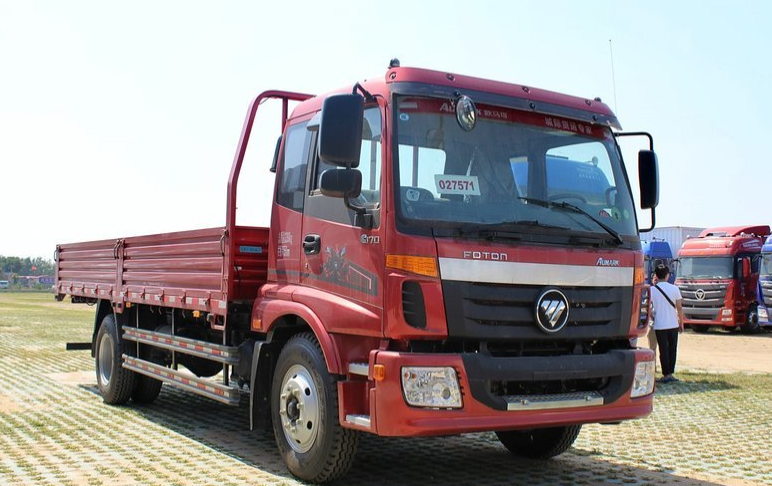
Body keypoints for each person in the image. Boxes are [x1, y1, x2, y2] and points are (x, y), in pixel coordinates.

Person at [650, 264, 685, 383]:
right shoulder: (674, 288)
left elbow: (648, 308)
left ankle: (665, 374)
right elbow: (679, 307)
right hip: (673, 323)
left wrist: (652, 317)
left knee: (663, 349)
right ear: (667, 275)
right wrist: (681, 321)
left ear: (656, 275)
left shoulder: (652, 290)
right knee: (672, 349)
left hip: (659, 324)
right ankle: (670, 372)